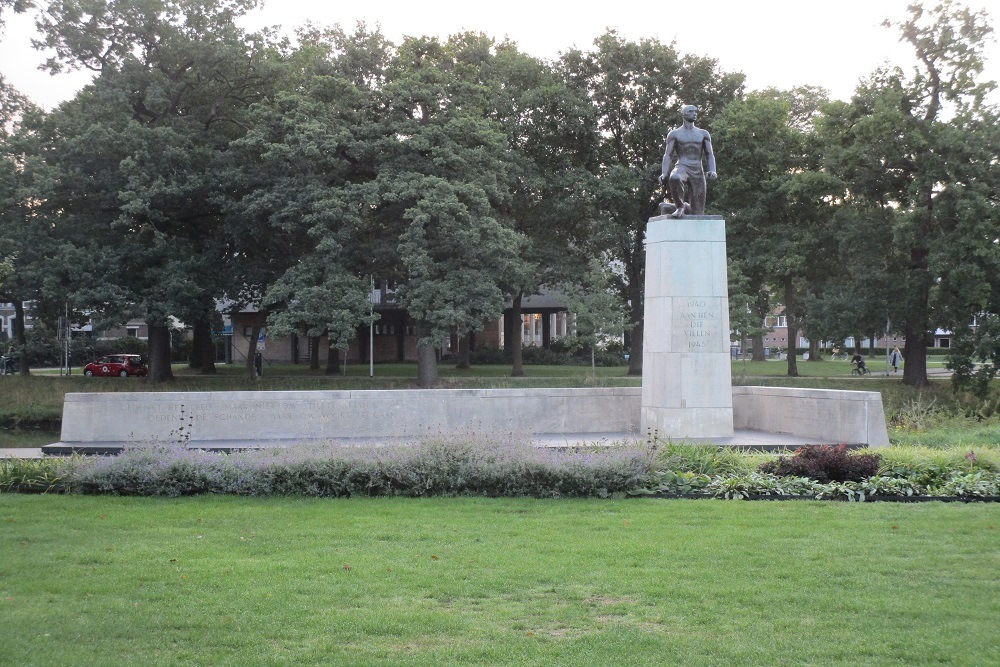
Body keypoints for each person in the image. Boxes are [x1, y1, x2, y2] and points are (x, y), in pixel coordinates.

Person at [659, 104, 717, 218]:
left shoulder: (703, 134)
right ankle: (679, 206)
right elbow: (668, 155)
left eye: (695, 111)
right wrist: (664, 173)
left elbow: (709, 154)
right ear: (683, 114)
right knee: (674, 177)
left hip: (697, 171)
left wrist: (712, 170)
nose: (694, 113)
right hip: (682, 167)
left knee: (696, 213)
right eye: (691, 111)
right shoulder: (674, 134)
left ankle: (668, 207)